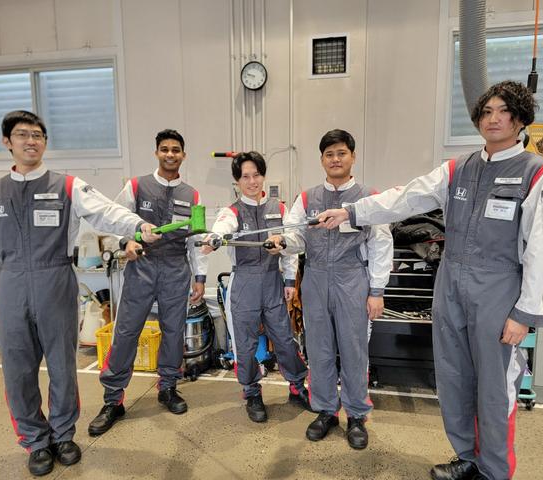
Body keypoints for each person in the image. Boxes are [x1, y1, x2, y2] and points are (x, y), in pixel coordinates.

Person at [317, 81, 543, 480]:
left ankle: (494, 470)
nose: (493, 119)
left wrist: (525, 312)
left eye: (503, 111)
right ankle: (467, 457)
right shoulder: (458, 169)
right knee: (453, 376)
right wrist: (352, 212)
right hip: (450, 286)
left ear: (520, 119)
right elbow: (406, 197)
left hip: (498, 292)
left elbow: (540, 246)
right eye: (486, 112)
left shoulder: (537, 173)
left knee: (495, 387)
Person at [0, 110, 159, 477]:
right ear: (7, 141)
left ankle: (62, 435)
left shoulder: (67, 186)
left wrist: (137, 226)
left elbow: (106, 212)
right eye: (22, 134)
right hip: (11, 283)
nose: (31, 141)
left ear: (45, 142)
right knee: (18, 370)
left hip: (55, 279)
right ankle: (35, 441)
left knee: (62, 366)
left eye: (38, 135)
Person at [268, 129, 393, 450]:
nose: (335, 159)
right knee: (319, 348)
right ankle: (325, 410)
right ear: (322, 159)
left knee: (354, 349)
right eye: (329, 154)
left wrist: (377, 291)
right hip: (315, 279)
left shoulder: (369, 197)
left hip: (353, 280)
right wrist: (283, 242)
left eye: (341, 153)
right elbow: (295, 235)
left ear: (353, 156)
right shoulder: (307, 198)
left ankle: (356, 415)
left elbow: (381, 244)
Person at [89, 129, 208, 435]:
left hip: (176, 269)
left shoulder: (192, 195)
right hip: (141, 267)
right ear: (156, 152)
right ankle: (113, 399)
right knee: (126, 332)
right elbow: (113, 221)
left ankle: (168, 387)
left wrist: (199, 277)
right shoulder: (136, 186)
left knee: (173, 332)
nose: (170, 154)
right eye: (165, 149)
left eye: (176, 150)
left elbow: (195, 241)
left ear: (183, 155)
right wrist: (125, 243)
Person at [200, 151, 311, 423]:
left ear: (263, 176)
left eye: (257, 175)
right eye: (245, 177)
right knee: (245, 345)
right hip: (244, 284)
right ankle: (251, 392)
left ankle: (297, 385)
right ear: (237, 181)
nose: (252, 182)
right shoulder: (232, 211)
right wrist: (215, 237)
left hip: (273, 282)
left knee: (284, 339)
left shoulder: (279, 208)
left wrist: (289, 280)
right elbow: (222, 227)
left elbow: (289, 246)